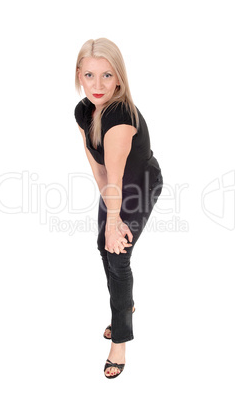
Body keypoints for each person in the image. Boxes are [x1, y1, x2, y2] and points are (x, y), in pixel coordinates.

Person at [74, 38, 163, 379]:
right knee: (103, 246)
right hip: (114, 184)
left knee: (118, 253)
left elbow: (117, 173)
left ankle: (120, 337)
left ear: (119, 79)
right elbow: (100, 170)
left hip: (140, 183)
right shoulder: (84, 112)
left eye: (107, 76)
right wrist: (109, 218)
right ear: (79, 76)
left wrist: (116, 222)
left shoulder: (120, 116)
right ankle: (125, 305)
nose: (97, 85)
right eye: (89, 75)